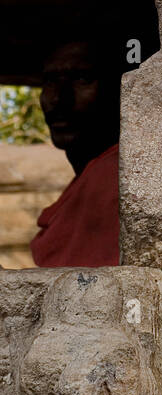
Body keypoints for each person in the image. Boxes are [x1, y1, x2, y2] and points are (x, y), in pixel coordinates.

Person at [30, 37, 121, 267]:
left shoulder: (115, 173)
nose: (58, 99)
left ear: (119, 90)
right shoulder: (89, 177)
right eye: (50, 81)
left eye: (82, 78)